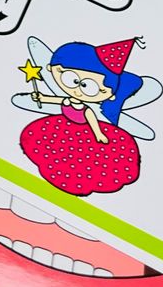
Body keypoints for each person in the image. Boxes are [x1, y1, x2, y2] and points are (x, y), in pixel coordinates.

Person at [20, 37, 145, 196]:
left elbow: (91, 118)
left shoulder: (85, 109)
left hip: (84, 134)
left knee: (84, 163)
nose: (78, 89)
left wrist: (98, 134)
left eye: (88, 86)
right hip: (61, 128)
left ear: (110, 94)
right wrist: (42, 98)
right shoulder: (69, 100)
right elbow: (57, 100)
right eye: (72, 79)